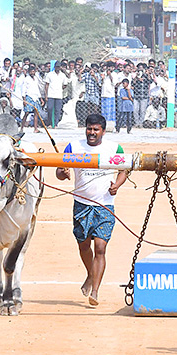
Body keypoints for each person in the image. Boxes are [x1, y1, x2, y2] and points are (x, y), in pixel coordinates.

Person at [56, 114, 128, 307]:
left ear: (103, 131)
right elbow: (59, 172)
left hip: (105, 205)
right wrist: (63, 172)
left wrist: (117, 185)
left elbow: (124, 169)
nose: (92, 133)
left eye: (96, 130)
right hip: (81, 204)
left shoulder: (114, 148)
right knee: (83, 245)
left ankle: (95, 290)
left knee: (100, 248)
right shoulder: (74, 147)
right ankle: (90, 274)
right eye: (89, 129)